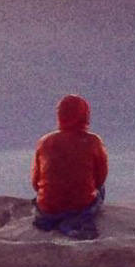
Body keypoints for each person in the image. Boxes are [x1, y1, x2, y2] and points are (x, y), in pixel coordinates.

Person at [31, 94, 109, 240]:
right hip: (81, 206)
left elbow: (36, 182)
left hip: (48, 209)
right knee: (101, 190)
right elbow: (100, 179)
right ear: (85, 115)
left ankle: (53, 220)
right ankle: (74, 221)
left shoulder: (45, 141)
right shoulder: (93, 141)